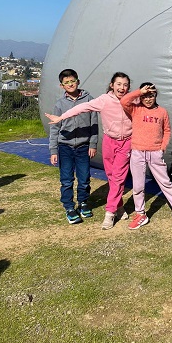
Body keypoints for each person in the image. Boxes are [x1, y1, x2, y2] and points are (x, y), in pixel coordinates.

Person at [46, 72, 132, 230]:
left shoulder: (131, 100)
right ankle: (118, 206)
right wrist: (61, 118)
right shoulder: (103, 100)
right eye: (118, 84)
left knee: (118, 178)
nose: (122, 87)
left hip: (125, 142)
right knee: (112, 177)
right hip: (108, 142)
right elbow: (81, 108)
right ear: (112, 85)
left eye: (125, 84)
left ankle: (110, 212)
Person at [120, 82, 172, 229]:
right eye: (145, 96)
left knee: (165, 182)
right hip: (137, 152)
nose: (148, 99)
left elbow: (167, 130)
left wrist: (162, 148)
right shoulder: (135, 109)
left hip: (155, 153)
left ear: (156, 95)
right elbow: (124, 101)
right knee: (138, 185)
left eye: (151, 95)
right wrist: (139, 92)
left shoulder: (162, 112)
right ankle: (140, 214)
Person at [48, 69, 98, 224]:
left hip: (83, 146)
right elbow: (54, 128)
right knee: (67, 179)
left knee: (84, 179)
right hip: (65, 147)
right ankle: (69, 207)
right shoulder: (60, 104)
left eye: (72, 81)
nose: (70, 84)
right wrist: (53, 150)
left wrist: (93, 144)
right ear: (62, 86)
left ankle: (83, 203)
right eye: (66, 82)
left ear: (78, 80)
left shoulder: (89, 100)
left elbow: (94, 124)